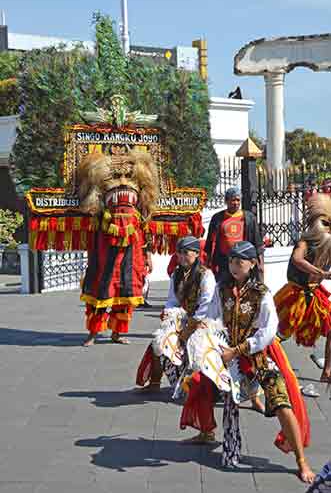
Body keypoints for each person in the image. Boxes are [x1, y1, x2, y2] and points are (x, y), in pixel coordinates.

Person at [180, 241, 314, 483]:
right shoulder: (222, 289)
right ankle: (213, 438)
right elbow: (212, 317)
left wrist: (240, 349)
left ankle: (301, 461)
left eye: (240, 261)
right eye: (231, 260)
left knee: (282, 403)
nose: (234, 265)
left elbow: (268, 331)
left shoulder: (261, 293)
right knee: (202, 383)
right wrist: (206, 337)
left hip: (258, 356)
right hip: (226, 354)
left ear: (252, 264)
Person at [77, 150, 159, 346]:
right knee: (100, 289)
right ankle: (93, 333)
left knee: (126, 291)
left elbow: (146, 226)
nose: (122, 178)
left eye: (127, 174)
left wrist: (147, 254)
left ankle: (117, 333)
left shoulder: (139, 195)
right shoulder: (99, 192)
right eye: (116, 174)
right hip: (105, 246)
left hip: (132, 248)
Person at [136, 236, 216, 392]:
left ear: (197, 254)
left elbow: (207, 305)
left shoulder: (206, 275)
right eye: (179, 253)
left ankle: (199, 387)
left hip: (204, 322)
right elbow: (172, 301)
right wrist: (168, 314)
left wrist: (190, 328)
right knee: (160, 342)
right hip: (183, 318)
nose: (182, 256)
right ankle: (154, 383)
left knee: (198, 349)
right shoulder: (176, 274)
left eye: (186, 252)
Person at [275, 194, 331, 382]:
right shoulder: (304, 242)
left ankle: (328, 371)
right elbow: (297, 260)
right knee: (278, 335)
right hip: (295, 294)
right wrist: (320, 272)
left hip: (316, 296)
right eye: (325, 223)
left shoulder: (328, 246)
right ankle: (261, 366)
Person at [205, 186, 264, 283]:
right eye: (233, 200)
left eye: (238, 200)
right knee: (223, 290)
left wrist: (261, 264)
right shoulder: (217, 218)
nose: (236, 203)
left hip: (244, 261)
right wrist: (207, 263)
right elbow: (210, 242)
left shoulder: (249, 218)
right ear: (226, 201)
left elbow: (257, 242)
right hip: (224, 262)